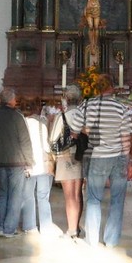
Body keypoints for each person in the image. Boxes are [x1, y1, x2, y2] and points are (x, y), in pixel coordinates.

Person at [65, 75, 132, 249]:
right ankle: (111, 240)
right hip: (118, 156)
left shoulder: (87, 105)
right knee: (117, 199)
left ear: (96, 89)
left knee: (93, 199)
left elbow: (74, 130)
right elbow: (126, 136)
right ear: (112, 87)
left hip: (96, 156)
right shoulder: (122, 107)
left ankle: (91, 240)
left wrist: (87, 130)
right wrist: (128, 159)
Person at [0, 85, 32, 235]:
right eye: (15, 98)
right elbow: (25, 141)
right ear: (11, 100)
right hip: (16, 162)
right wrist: (30, 162)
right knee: (15, 196)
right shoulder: (17, 117)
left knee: (2, 193)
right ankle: (9, 229)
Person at [46, 99, 84, 237]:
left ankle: (71, 230)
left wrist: (53, 159)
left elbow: (52, 139)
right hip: (79, 156)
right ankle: (77, 226)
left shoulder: (61, 116)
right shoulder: (82, 114)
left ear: (66, 101)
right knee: (77, 194)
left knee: (69, 197)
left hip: (64, 156)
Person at [21, 103, 56, 233]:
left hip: (28, 163)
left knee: (28, 196)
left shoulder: (23, 124)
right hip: (42, 164)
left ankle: (29, 226)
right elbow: (47, 146)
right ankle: (46, 226)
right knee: (43, 196)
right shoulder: (42, 124)